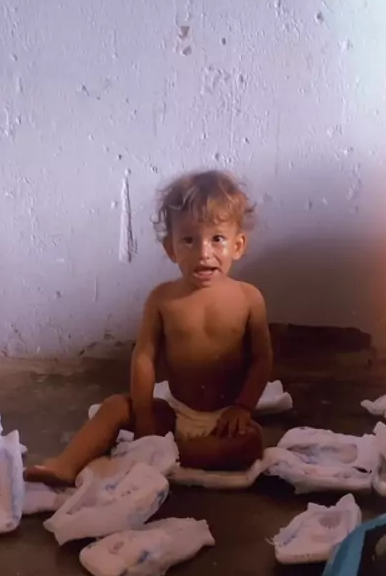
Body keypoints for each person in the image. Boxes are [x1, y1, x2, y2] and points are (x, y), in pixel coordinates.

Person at [25, 169, 273, 485]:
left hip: (223, 417)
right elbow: (144, 357)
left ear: (238, 245)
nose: (203, 253)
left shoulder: (249, 299)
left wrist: (242, 407)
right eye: (189, 240)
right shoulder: (162, 299)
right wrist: (143, 414)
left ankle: (165, 453)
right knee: (115, 407)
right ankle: (65, 463)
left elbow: (261, 360)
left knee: (250, 443)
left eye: (217, 239)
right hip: (176, 411)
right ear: (171, 248)